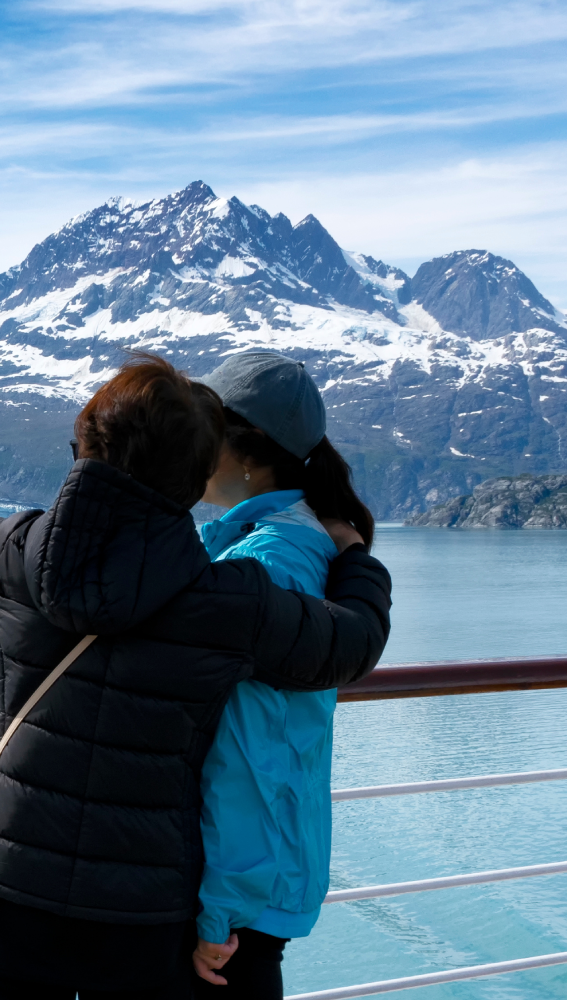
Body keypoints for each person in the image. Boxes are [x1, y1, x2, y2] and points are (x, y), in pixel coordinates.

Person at [0, 353, 390, 1000]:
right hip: (138, 906)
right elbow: (350, 642)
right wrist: (353, 559)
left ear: (83, 449)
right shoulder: (228, 599)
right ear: (199, 467)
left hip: (2, 885)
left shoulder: (12, 552)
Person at [189, 352, 377, 998]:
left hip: (240, 909)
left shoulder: (271, 565)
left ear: (249, 451)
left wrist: (217, 913)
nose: (190, 446)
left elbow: (250, 759)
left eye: (201, 430)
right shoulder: (283, 543)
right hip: (263, 886)